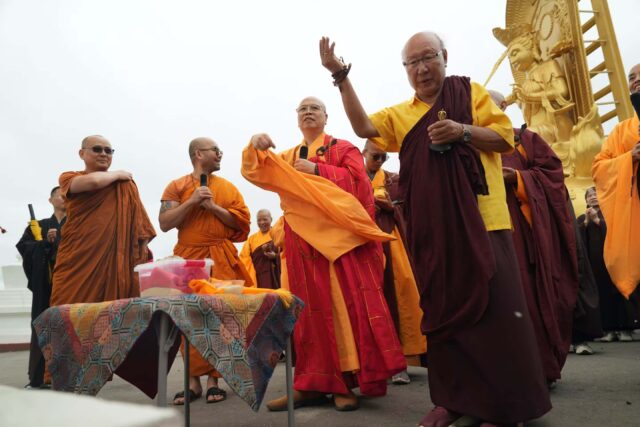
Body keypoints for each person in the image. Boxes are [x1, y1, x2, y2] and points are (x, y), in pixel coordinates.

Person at [319, 32, 550, 426]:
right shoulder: (401, 114)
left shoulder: (470, 94)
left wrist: (462, 131)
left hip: (484, 221)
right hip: (435, 229)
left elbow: (503, 139)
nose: (422, 68)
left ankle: (504, 407)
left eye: (428, 58)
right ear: (406, 70)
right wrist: (341, 76)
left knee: (494, 315)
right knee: (444, 316)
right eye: (413, 63)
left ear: (444, 57)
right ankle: (453, 400)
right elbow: (364, 127)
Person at [242, 96, 406, 412]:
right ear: (296, 118)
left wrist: (317, 169)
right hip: (301, 243)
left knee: (339, 309)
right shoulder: (288, 156)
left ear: (326, 117)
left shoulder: (343, 148)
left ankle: (343, 382)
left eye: (314, 107)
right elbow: (257, 171)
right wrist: (254, 145)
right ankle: (312, 384)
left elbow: (360, 184)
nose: (308, 112)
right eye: (302, 108)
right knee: (307, 315)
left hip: (337, 242)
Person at [490, 90, 578, 386]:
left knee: (529, 296)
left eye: (488, 105)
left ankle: (539, 368)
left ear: (504, 107)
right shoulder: (470, 143)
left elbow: (552, 175)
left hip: (525, 234)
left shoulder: (524, 139)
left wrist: (517, 178)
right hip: (486, 233)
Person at [159, 137, 252, 405]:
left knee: (221, 317)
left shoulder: (227, 187)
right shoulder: (177, 186)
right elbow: (165, 222)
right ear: (199, 154)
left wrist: (213, 208)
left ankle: (214, 380)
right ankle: (192, 381)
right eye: (215, 150)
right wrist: (191, 202)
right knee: (189, 316)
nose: (220, 154)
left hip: (221, 256)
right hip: (189, 258)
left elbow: (241, 224)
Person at [51, 136, 155, 306]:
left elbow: (140, 226)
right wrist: (118, 174)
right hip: (79, 256)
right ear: (82, 153)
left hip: (116, 259)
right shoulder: (69, 177)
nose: (104, 154)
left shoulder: (124, 185)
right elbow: (93, 182)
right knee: (67, 304)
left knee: (115, 310)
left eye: (108, 151)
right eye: (97, 149)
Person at [362, 140, 426, 384]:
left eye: (384, 158)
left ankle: (401, 363)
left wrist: (390, 208)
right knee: (369, 300)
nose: (379, 162)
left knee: (400, 295)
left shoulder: (393, 180)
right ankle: (372, 364)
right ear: (363, 153)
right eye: (375, 156)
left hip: (391, 241)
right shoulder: (351, 179)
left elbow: (409, 210)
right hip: (362, 244)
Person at [592, 63, 640, 301]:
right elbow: (598, 168)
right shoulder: (622, 131)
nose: (636, 80)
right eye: (632, 77)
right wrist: (629, 158)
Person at [16, 186, 66, 389]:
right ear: (50, 200)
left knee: (69, 328)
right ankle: (37, 379)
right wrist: (45, 243)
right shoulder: (40, 225)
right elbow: (24, 247)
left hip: (70, 283)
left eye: (67, 195)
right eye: (60, 195)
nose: (64, 198)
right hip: (45, 285)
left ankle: (68, 377)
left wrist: (60, 240)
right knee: (40, 326)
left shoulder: (77, 225)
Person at [578, 187, 639, 342]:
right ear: (586, 200)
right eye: (589, 195)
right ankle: (608, 330)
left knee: (619, 294)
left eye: (595, 194)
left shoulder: (611, 215)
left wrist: (598, 221)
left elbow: (620, 232)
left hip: (614, 261)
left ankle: (625, 329)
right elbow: (577, 240)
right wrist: (585, 223)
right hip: (595, 265)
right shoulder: (582, 218)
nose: (593, 197)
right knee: (602, 296)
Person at [239, 209, 281, 289]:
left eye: (265, 219)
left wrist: (275, 256)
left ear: (271, 219)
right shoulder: (251, 239)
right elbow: (244, 259)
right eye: (259, 220)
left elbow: (286, 255)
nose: (262, 222)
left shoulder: (278, 234)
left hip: (277, 276)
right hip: (259, 278)